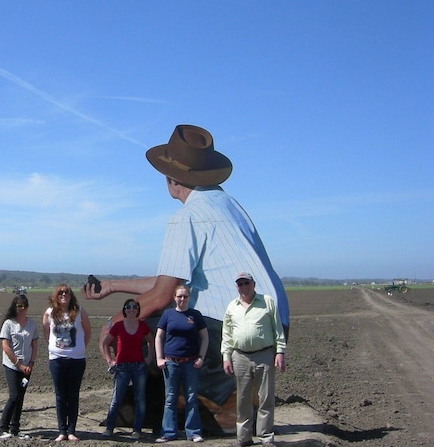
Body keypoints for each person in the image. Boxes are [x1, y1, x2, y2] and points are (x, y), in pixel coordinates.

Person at [81, 124, 289, 425]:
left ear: (171, 178)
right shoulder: (228, 206)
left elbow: (163, 294)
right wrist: (112, 286)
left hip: (234, 327)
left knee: (147, 331)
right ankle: (227, 398)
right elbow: (171, 280)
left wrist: (112, 324)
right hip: (273, 322)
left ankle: (205, 407)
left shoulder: (187, 217)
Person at [221, 272, 286, 446]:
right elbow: (226, 334)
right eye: (240, 284)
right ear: (236, 286)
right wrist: (226, 357)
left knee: (265, 397)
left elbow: (277, 329)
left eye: (246, 283)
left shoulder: (267, 302)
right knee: (242, 399)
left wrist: (280, 352)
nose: (243, 286)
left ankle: (265, 437)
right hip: (239, 356)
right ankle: (244, 438)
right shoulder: (231, 307)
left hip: (264, 355)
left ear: (253, 284)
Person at [155, 285, 208, 443]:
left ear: (189, 298)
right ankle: (168, 432)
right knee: (170, 398)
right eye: (179, 296)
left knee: (191, 398)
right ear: (174, 297)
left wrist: (201, 357)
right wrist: (159, 358)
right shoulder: (168, 314)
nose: (182, 299)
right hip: (171, 363)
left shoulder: (195, 315)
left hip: (190, 363)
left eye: (185, 296)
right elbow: (159, 337)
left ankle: (193, 432)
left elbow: (205, 337)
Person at [43, 285, 91, 442]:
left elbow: (87, 331)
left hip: (76, 360)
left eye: (67, 292)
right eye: (60, 293)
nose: (64, 295)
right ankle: (62, 431)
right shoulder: (49, 313)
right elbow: (46, 333)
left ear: (71, 296)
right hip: (56, 360)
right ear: (56, 296)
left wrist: (79, 349)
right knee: (60, 395)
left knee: (73, 395)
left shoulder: (79, 311)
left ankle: (72, 431)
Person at [101, 298, 154, 440]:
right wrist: (109, 360)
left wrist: (149, 358)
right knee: (116, 399)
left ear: (137, 310)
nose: (131, 309)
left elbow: (150, 341)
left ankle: (137, 430)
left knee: (140, 399)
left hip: (139, 367)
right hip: (122, 367)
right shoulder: (118, 326)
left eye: (134, 307)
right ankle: (109, 428)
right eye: (128, 307)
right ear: (124, 310)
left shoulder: (142, 326)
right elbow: (106, 343)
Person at [0, 294, 39, 440]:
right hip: (12, 365)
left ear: (27, 308)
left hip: (27, 366)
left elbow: (34, 345)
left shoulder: (32, 324)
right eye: (18, 306)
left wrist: (31, 364)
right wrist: (18, 364)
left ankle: (15, 428)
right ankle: (3, 427)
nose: (20, 309)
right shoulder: (9, 324)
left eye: (23, 306)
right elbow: (6, 346)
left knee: (20, 397)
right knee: (14, 395)